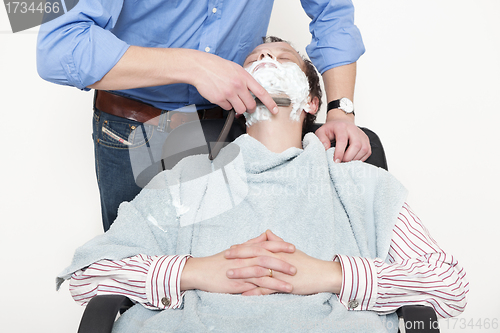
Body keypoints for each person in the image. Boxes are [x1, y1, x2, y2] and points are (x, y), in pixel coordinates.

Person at [58, 40, 468, 332]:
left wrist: (331, 276)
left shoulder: (363, 184)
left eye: (283, 56)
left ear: (311, 102)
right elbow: (87, 276)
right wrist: (194, 272)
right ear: (233, 94)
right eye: (254, 59)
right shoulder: (183, 182)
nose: (267, 57)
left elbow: (450, 286)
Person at [36, 0, 371, 231]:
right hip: (137, 127)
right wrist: (193, 65)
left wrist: (342, 111)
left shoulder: (353, 189)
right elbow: (58, 49)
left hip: (229, 123)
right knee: (144, 278)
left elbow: (332, 12)